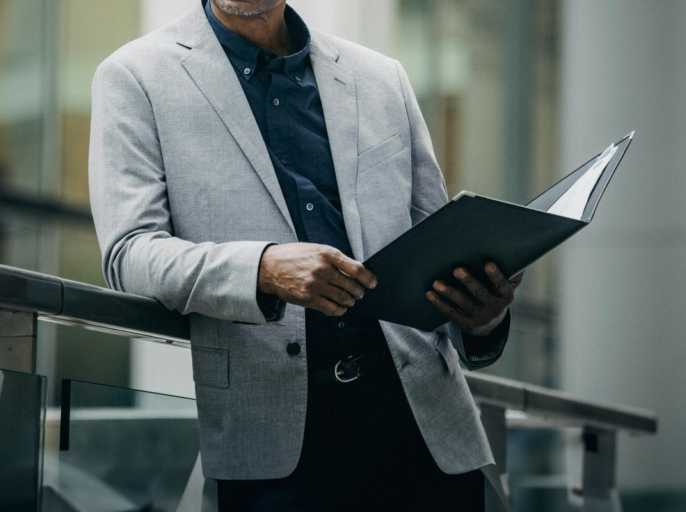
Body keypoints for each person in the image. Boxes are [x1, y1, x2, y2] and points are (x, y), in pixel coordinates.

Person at [88, 0, 522, 509]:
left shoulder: (383, 78)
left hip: (426, 434)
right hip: (274, 443)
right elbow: (130, 252)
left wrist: (482, 318)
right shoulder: (133, 76)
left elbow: (435, 247)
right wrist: (263, 268)